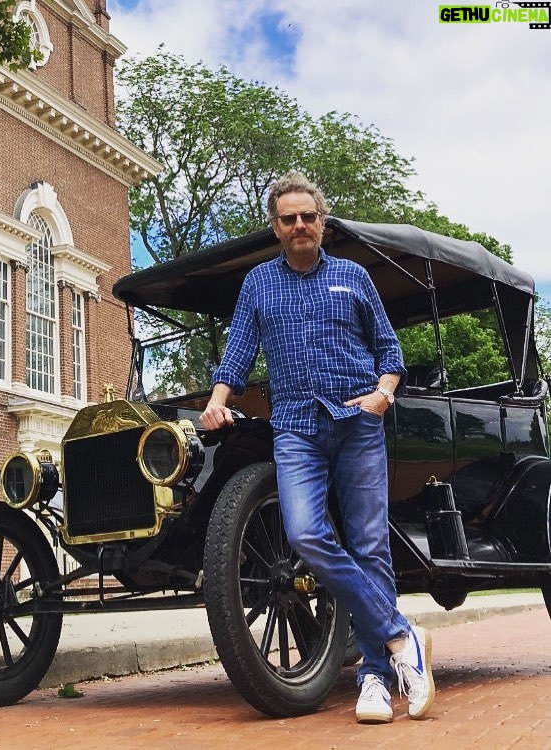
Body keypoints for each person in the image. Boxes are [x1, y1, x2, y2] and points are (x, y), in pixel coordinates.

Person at [199, 171, 434, 723]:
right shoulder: (259, 283)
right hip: (297, 429)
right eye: (289, 218)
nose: (300, 225)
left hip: (356, 423)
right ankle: (402, 636)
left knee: (369, 546)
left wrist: (382, 393)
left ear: (322, 223)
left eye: (309, 216)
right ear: (276, 228)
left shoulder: (352, 276)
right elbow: (237, 351)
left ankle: (375, 678)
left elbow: (389, 349)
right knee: (305, 534)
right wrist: (217, 399)